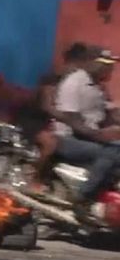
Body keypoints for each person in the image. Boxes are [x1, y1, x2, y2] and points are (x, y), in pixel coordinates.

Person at [52, 46, 120, 217]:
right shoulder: (74, 82)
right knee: (112, 151)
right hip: (67, 138)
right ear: (90, 62)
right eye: (105, 64)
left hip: (91, 136)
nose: (109, 67)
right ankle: (83, 198)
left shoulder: (99, 86)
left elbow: (109, 113)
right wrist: (100, 136)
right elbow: (71, 120)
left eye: (111, 64)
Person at [15, 43, 89, 190]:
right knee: (50, 144)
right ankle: (36, 178)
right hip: (32, 121)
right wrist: (68, 119)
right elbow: (46, 107)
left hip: (46, 121)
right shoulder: (54, 78)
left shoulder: (81, 80)